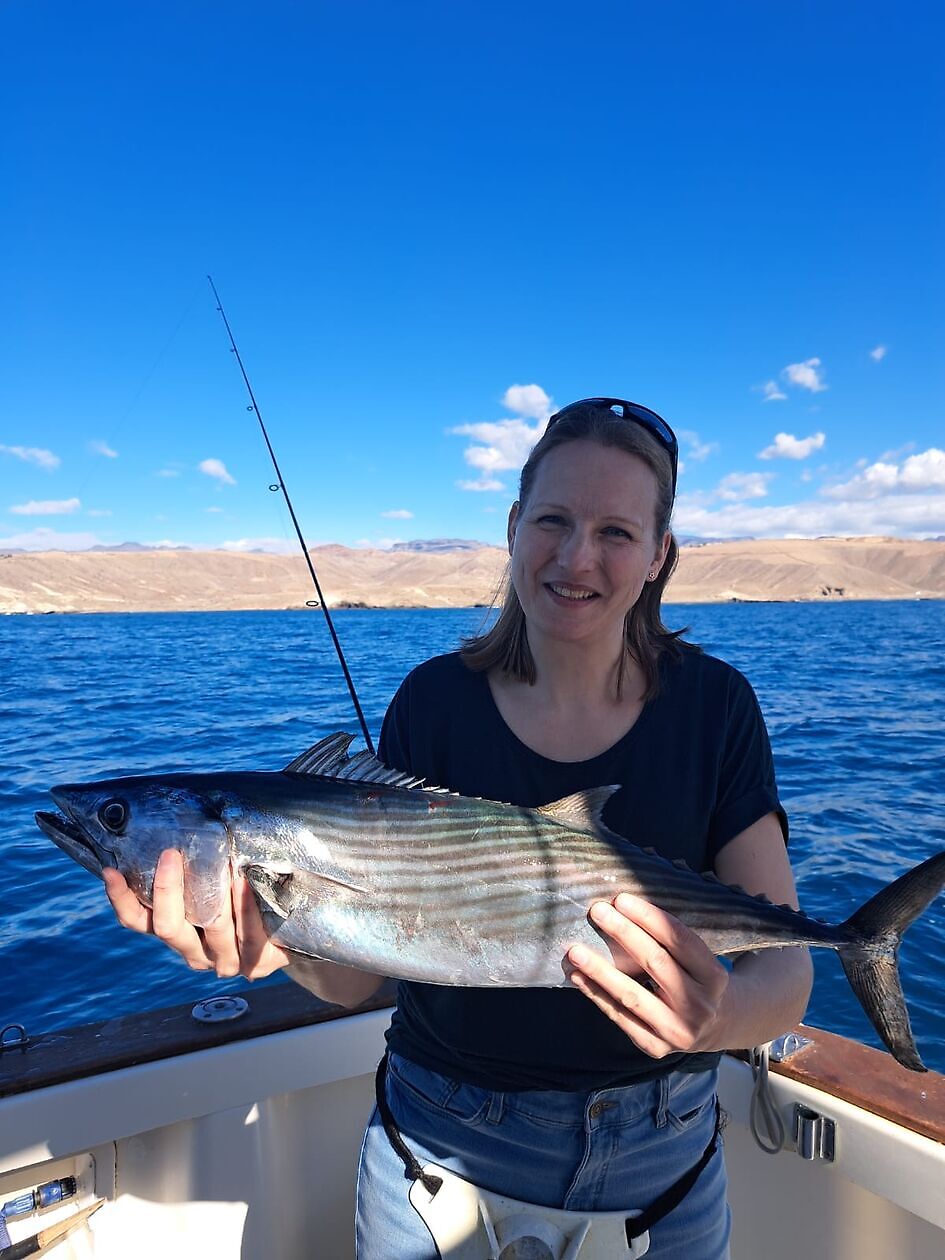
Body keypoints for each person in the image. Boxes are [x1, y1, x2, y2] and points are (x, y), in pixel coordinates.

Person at [104, 397, 813, 1259]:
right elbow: (356, 981)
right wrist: (283, 945)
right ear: (513, 526)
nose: (575, 556)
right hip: (438, 1151)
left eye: (615, 532)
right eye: (551, 520)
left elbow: (786, 971)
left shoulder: (716, 706)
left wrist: (722, 1016)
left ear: (659, 553)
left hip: (666, 1163)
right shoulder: (434, 702)